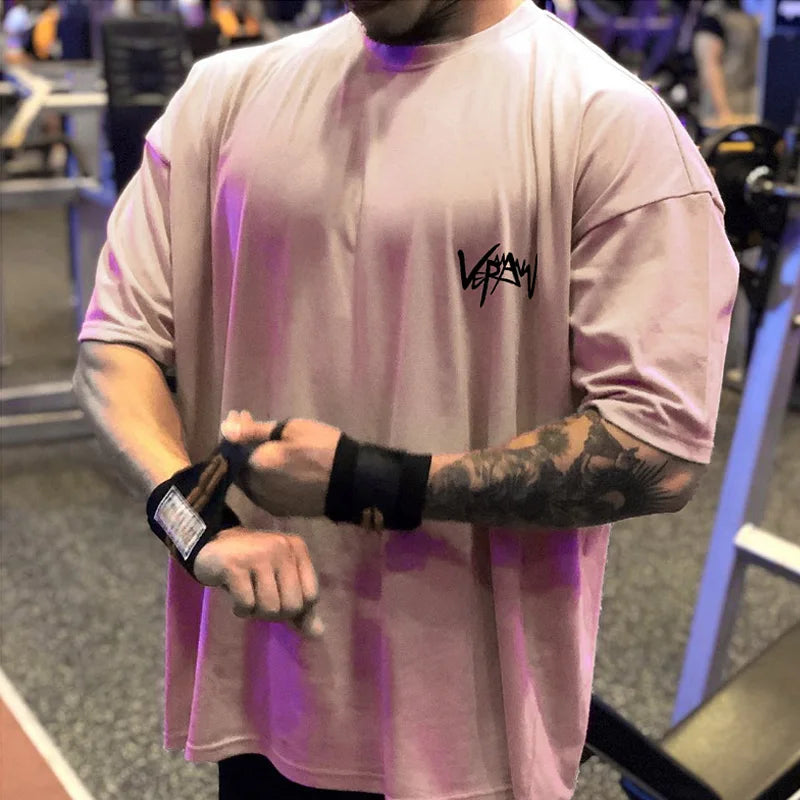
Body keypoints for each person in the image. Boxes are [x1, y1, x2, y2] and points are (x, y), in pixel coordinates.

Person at [73, 0, 739, 798]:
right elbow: (114, 350)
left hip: (469, 740)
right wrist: (198, 526)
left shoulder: (608, 124)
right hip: (267, 696)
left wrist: (366, 482)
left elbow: (657, 453)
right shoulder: (223, 97)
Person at [693, 0, 761, 129]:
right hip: (723, 110)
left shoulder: (753, 13)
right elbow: (710, 65)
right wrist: (723, 112)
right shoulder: (713, 16)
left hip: (751, 108)